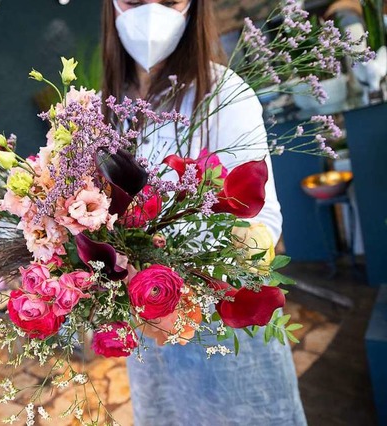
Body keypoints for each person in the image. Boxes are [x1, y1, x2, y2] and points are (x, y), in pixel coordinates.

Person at [101, 1, 308, 425]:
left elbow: (263, 224)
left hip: (225, 328)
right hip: (150, 334)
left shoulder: (224, 94)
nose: (151, 9)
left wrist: (202, 279)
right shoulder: (107, 113)